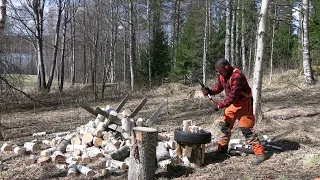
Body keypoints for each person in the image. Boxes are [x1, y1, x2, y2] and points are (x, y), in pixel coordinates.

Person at [202, 58, 265, 165]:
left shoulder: (237, 76)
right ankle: (221, 151)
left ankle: (260, 155)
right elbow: (219, 87)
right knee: (224, 127)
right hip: (232, 105)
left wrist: (219, 105)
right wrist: (210, 91)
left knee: (247, 130)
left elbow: (233, 97)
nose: (218, 73)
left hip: (244, 104)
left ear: (226, 67)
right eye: (217, 71)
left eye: (220, 71)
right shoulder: (221, 74)